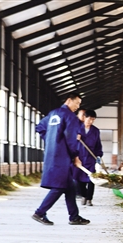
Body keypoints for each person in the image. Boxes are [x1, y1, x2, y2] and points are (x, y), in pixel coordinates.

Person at [32, 93, 90, 226]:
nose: (78, 106)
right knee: (58, 186)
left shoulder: (53, 113)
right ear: (69, 100)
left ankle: (74, 216)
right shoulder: (70, 117)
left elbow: (40, 127)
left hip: (52, 154)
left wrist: (51, 140)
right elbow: (70, 139)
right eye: (77, 103)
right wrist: (75, 156)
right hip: (63, 156)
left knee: (70, 187)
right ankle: (40, 212)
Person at [74, 109, 103, 207]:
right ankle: (84, 195)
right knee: (78, 178)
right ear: (84, 118)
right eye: (89, 119)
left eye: (93, 120)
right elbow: (69, 141)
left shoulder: (95, 131)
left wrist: (98, 155)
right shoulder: (77, 129)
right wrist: (75, 138)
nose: (91, 121)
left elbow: (98, 144)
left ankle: (89, 199)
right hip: (79, 158)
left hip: (91, 158)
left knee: (91, 179)